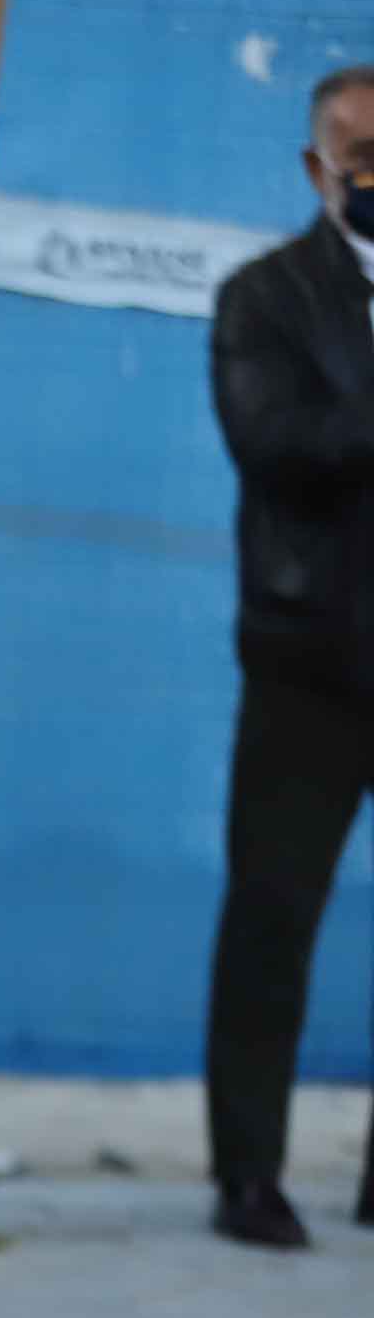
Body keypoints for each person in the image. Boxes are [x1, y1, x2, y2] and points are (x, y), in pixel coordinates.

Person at [197, 61, 374, 1252]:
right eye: (356, 154)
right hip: (308, 652)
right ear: (316, 169)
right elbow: (274, 446)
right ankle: (245, 1174)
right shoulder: (261, 296)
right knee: (272, 915)